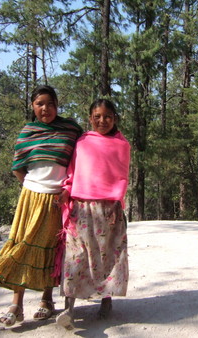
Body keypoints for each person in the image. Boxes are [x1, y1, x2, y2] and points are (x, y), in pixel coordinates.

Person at [0, 85, 83, 327]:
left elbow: (83, 158)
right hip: (31, 198)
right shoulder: (27, 132)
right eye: (40, 104)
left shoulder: (70, 129)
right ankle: (16, 304)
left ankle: (46, 301)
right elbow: (18, 166)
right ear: (32, 106)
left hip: (57, 199)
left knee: (51, 249)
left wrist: (67, 190)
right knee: (23, 245)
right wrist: (33, 187)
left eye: (50, 103)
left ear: (57, 104)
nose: (45, 108)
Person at [54, 98, 131, 330]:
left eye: (107, 116)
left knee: (108, 255)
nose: (102, 120)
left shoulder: (122, 145)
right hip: (81, 207)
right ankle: (69, 307)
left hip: (109, 209)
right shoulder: (82, 142)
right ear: (90, 118)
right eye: (97, 116)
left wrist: (115, 202)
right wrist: (66, 191)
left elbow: (121, 177)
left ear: (114, 118)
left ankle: (106, 300)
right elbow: (73, 171)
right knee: (75, 256)